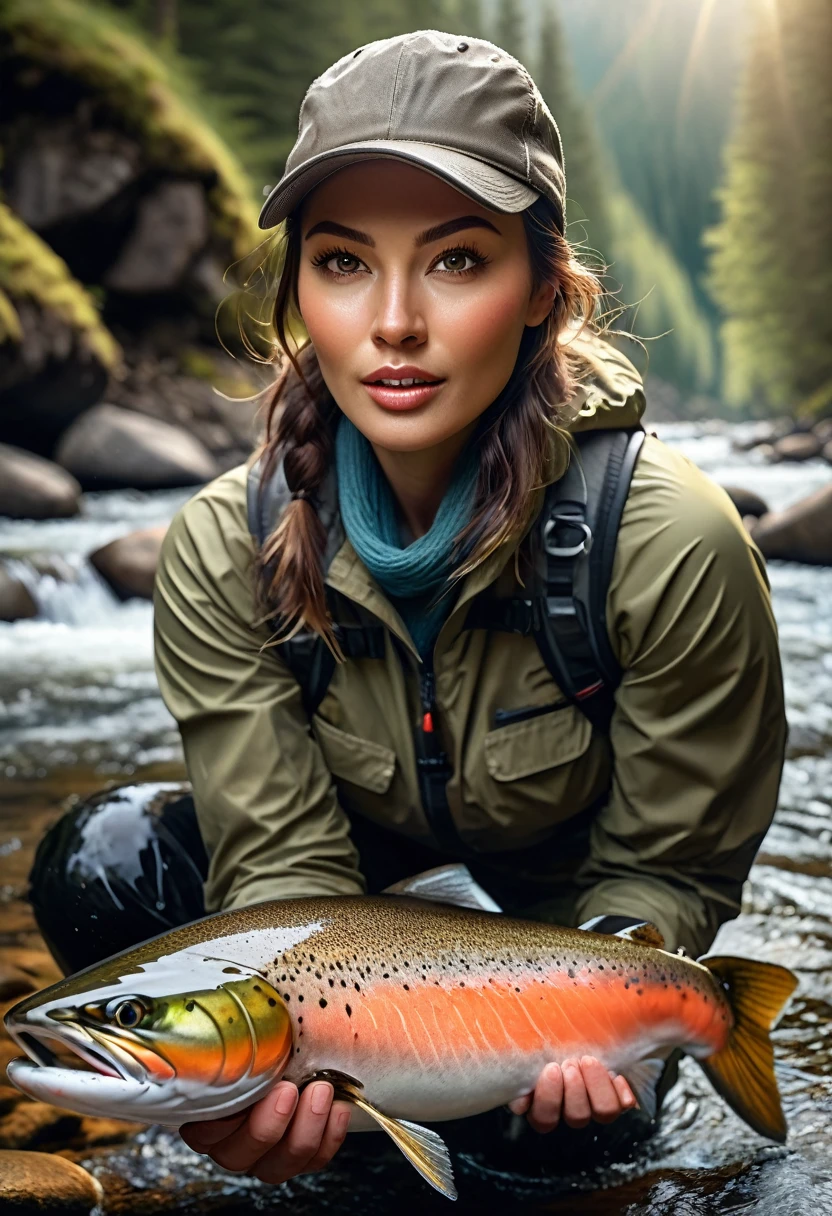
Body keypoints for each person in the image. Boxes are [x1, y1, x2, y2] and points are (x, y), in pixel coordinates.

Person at [28, 29, 786, 1189]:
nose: (392, 321)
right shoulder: (222, 547)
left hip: (554, 953)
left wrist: (618, 981)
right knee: (106, 856)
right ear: (295, 292)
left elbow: (667, 876)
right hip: (341, 944)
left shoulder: (668, 542)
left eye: (455, 261)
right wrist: (256, 1091)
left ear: (542, 289)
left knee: (577, 1147)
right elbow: (280, 876)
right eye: (341, 263)